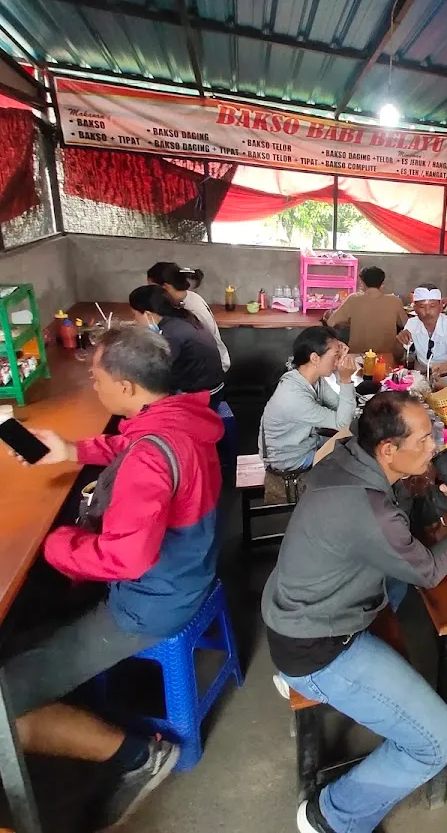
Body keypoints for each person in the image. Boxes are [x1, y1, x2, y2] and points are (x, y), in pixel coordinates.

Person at [3, 326, 222, 829]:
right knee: (38, 633)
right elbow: (130, 445)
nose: (92, 385)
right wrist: (72, 450)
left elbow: (126, 560)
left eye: (96, 376)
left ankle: (139, 756)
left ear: (126, 387)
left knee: (4, 704)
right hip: (186, 572)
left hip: (151, 601)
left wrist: (55, 544)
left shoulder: (150, 453)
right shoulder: (181, 416)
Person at [263, 391, 447, 833]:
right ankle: (329, 816)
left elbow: (399, 519)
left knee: (399, 581)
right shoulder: (368, 509)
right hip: (317, 648)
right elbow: (426, 571)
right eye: (424, 440)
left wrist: (442, 500)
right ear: (388, 449)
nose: (435, 448)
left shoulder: (348, 456)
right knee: (438, 740)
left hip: (299, 610)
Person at [259, 326, 357, 477]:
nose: (339, 359)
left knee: (354, 443)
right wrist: (346, 379)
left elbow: (340, 409)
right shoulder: (293, 396)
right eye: (336, 355)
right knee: (354, 456)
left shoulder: (311, 379)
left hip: (306, 443)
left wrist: (338, 370)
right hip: (289, 460)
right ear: (314, 358)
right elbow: (343, 423)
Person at [129, 284, 225, 407]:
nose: (135, 320)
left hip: (205, 395)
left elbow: (156, 371)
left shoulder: (171, 334)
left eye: (135, 315)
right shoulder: (178, 319)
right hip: (210, 385)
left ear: (148, 314)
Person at [146, 262, 230, 373]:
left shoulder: (192, 309)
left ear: (165, 287)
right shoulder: (185, 298)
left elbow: (201, 346)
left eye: (152, 288)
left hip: (211, 367)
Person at [324, 265, 408, 353]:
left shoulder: (353, 299)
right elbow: (405, 325)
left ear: (362, 282)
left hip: (357, 356)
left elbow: (330, 322)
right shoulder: (395, 300)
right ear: (382, 283)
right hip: (386, 356)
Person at [396, 284, 447, 380]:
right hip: (420, 377)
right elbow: (401, 355)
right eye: (422, 306)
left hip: (446, 380)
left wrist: (432, 379)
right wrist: (399, 342)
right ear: (414, 308)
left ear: (441, 307)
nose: (427, 312)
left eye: (432, 306)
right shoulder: (412, 323)